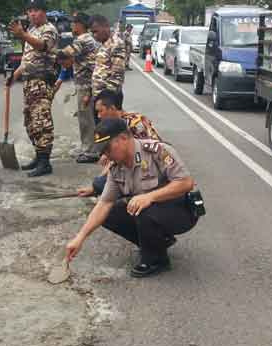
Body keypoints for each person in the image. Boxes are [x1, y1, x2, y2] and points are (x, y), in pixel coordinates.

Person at [66, 118, 197, 277]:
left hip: (181, 211)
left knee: (143, 207)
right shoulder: (116, 167)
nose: (106, 154)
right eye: (103, 150)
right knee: (110, 213)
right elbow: (104, 203)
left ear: (123, 138)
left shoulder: (157, 151)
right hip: (153, 212)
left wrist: (150, 197)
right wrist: (80, 238)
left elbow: (186, 183)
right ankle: (159, 242)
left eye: (107, 148)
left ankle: (156, 260)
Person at [8, 0, 59, 177]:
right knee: (30, 122)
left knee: (41, 121)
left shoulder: (49, 30)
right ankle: (39, 156)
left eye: (36, 10)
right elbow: (27, 59)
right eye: (29, 11)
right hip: (29, 82)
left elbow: (43, 46)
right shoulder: (31, 30)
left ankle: (45, 162)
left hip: (42, 81)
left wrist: (22, 35)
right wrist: (14, 75)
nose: (32, 14)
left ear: (44, 12)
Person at [77, 89, 162, 197]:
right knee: (102, 184)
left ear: (112, 108)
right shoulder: (116, 126)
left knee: (110, 193)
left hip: (151, 171)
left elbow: (133, 159)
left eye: (100, 111)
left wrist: (97, 186)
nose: (98, 116)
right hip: (137, 168)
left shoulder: (135, 124)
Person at [57, 12, 99, 163]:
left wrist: (47, 49)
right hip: (87, 84)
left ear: (80, 24)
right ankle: (90, 148)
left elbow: (64, 54)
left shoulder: (83, 39)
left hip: (87, 85)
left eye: (74, 23)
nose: (71, 25)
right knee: (87, 117)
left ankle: (90, 152)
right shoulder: (86, 39)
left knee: (86, 119)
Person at [90, 14, 127, 121]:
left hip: (109, 98)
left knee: (109, 132)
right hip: (99, 97)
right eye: (92, 32)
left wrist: (106, 100)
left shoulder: (116, 44)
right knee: (99, 132)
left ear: (105, 27)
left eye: (95, 31)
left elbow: (117, 74)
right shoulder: (102, 44)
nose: (94, 35)